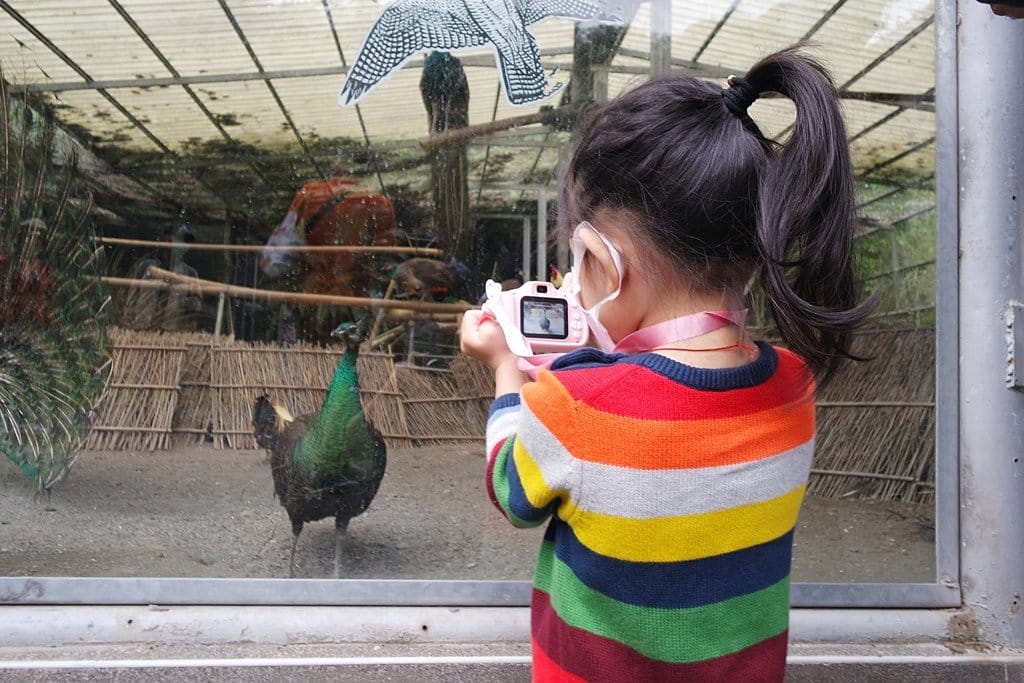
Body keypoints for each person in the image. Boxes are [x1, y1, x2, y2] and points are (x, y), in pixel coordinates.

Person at [460, 45, 875, 682]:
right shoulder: (794, 384)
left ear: (604, 258)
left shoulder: (575, 404)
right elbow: (678, 413)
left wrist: (507, 373)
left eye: (579, 261)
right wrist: (596, 365)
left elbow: (512, 494)